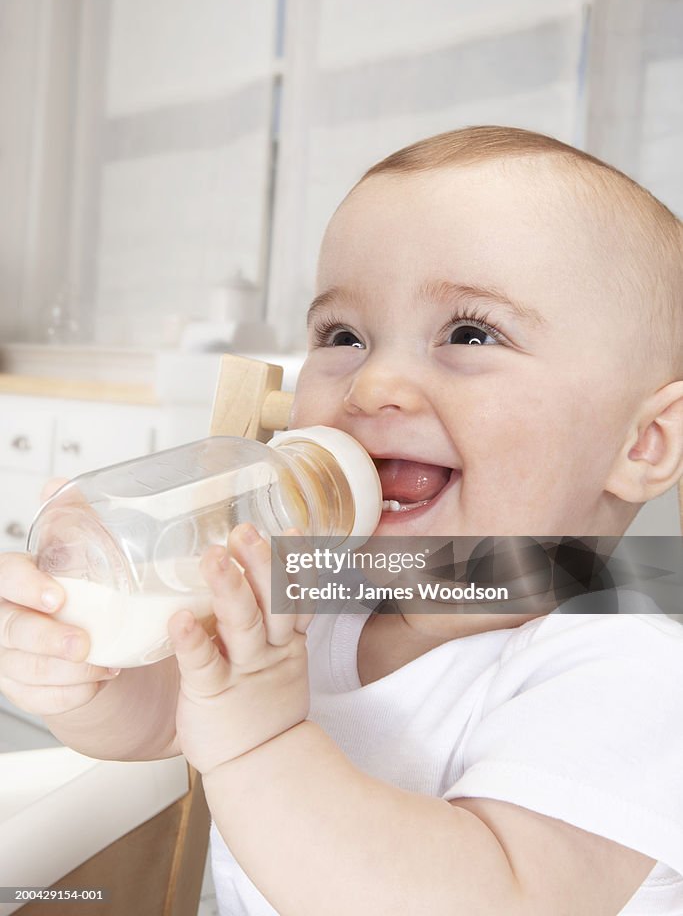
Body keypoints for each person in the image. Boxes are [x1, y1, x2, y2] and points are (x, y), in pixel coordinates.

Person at [1, 126, 682, 915]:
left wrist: (262, 743)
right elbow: (165, 716)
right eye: (343, 337)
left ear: (644, 442)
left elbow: (486, 900)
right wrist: (81, 672)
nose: (374, 383)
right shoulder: (319, 585)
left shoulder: (627, 670)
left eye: (469, 334)